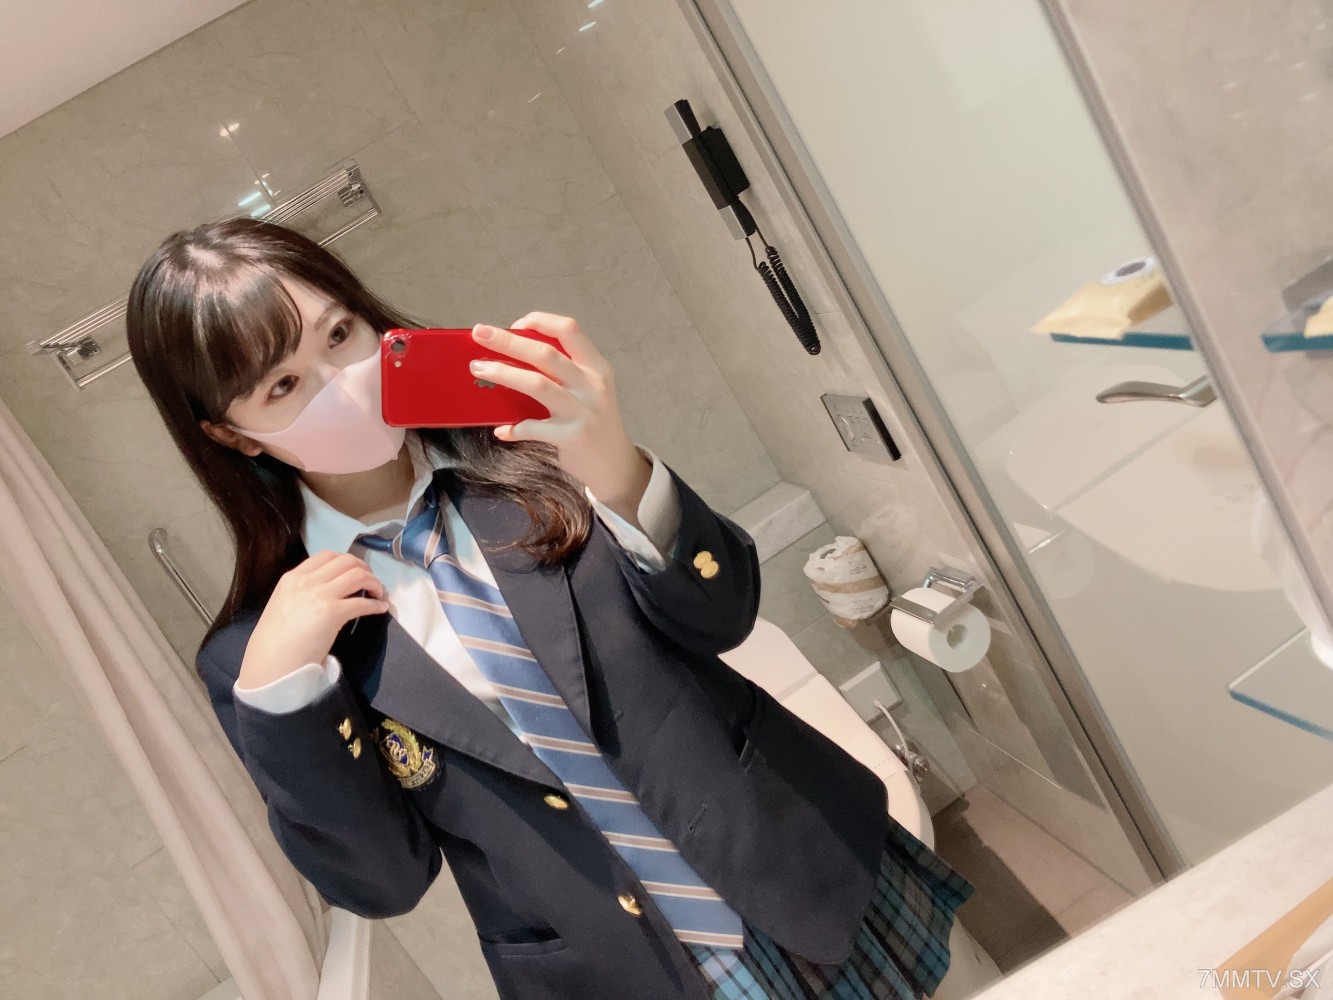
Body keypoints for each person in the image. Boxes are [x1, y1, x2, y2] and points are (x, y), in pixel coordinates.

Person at [126, 217, 972, 1000]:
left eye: (340, 335)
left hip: (796, 872)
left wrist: (618, 465)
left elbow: (723, 618)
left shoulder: (532, 445)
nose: (342, 384)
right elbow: (384, 883)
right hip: (612, 975)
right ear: (233, 435)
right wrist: (285, 700)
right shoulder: (261, 655)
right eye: (283, 385)